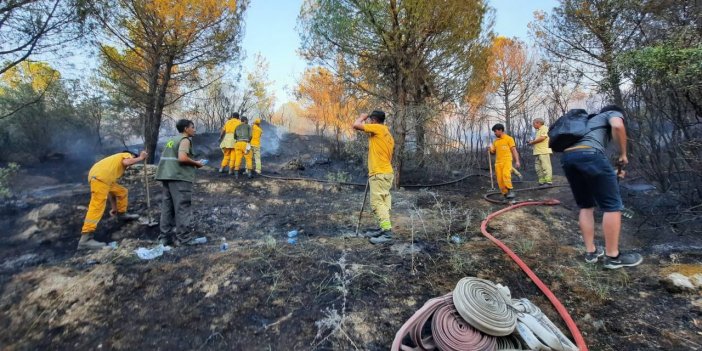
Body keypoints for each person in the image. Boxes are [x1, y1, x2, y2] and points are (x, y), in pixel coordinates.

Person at [561, 105, 642, 269]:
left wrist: (611, 173)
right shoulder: (612, 113)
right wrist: (623, 154)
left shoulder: (587, 121)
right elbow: (618, 126)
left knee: (586, 205)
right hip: (590, 155)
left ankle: (590, 252)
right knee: (612, 207)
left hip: (568, 158)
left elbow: (588, 164)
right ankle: (613, 257)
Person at [79, 150, 147, 250]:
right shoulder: (125, 155)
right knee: (97, 206)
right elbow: (126, 162)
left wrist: (114, 208)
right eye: (133, 159)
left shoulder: (112, 166)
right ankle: (85, 239)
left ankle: (121, 214)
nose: (131, 164)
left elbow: (111, 192)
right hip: (99, 178)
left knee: (121, 192)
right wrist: (140, 158)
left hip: (102, 178)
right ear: (131, 155)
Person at [155, 119, 205, 246]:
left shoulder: (172, 140)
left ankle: (164, 238)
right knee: (182, 207)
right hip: (179, 178)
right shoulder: (185, 140)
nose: (194, 129)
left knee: (167, 207)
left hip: (167, 176)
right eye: (192, 127)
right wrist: (197, 163)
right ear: (185, 129)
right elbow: (182, 158)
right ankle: (184, 239)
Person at [352, 110, 395, 244]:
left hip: (379, 173)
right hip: (385, 173)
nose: (369, 122)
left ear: (374, 120)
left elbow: (356, 125)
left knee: (377, 203)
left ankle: (387, 235)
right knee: (383, 202)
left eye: (370, 120)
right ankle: (383, 228)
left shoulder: (378, 128)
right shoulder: (388, 134)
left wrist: (362, 117)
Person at [488, 124, 521, 200]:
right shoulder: (495, 141)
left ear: (500, 130)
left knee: (506, 175)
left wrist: (517, 161)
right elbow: (493, 152)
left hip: (507, 160)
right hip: (498, 162)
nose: (495, 133)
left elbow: (513, 150)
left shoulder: (509, 139)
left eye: (495, 131)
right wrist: (490, 149)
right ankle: (505, 194)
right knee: (500, 178)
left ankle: (510, 191)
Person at [528, 118, 553, 186]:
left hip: (544, 151)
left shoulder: (544, 128)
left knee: (546, 167)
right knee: (538, 168)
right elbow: (538, 140)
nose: (533, 125)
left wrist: (532, 142)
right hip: (538, 152)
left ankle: (548, 182)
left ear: (538, 123)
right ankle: (542, 181)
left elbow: (543, 138)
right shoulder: (538, 131)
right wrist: (532, 142)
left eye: (534, 123)